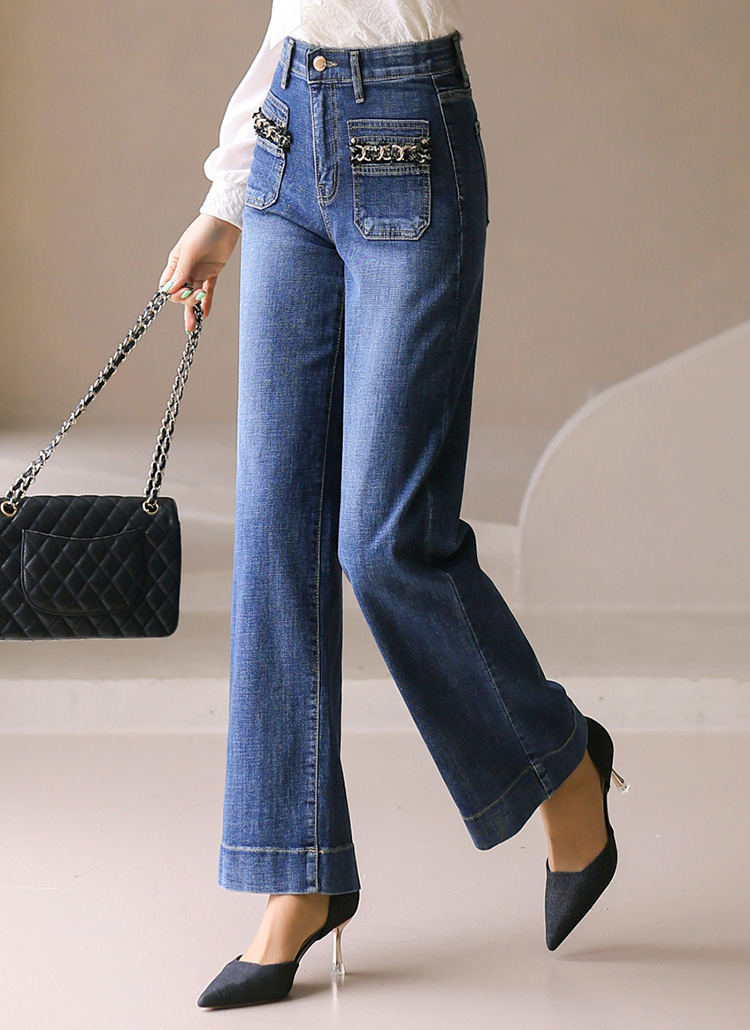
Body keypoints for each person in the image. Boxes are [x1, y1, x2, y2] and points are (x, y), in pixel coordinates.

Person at [157, 0, 629, 1010]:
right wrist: (227, 199)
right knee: (276, 534)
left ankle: (560, 761)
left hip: (410, 136)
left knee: (384, 541)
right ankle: (299, 875)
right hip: (287, 134)